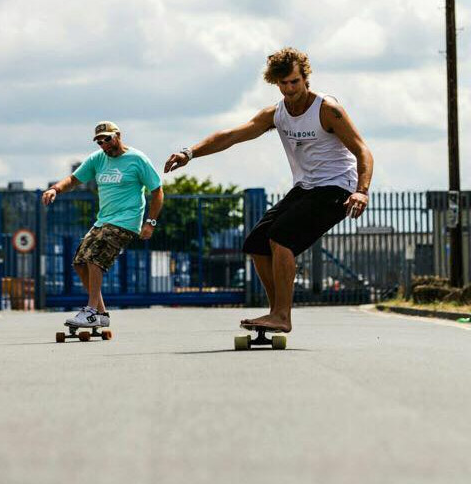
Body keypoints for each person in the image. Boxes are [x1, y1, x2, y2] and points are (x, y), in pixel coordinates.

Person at [164, 47, 374, 333]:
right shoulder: (276, 114)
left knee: (282, 237)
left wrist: (361, 191)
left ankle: (282, 316)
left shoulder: (327, 110)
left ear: (305, 78)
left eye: (294, 82)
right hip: (306, 187)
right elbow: (233, 135)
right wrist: (190, 152)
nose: (289, 89)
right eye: (283, 83)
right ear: (275, 83)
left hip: (338, 186)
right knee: (257, 243)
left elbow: (363, 151)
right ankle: (277, 312)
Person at [42, 121, 164, 328]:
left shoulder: (137, 159)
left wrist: (150, 222)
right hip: (103, 220)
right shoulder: (97, 159)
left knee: (94, 257)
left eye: (107, 139)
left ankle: (89, 311)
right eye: (99, 141)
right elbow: (73, 179)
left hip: (127, 221)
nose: (103, 145)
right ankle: (101, 313)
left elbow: (157, 191)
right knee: (80, 262)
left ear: (118, 135)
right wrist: (55, 189)